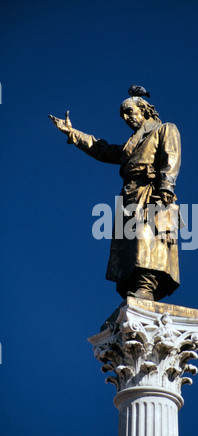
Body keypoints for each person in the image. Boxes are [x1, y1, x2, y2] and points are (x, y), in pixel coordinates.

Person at [49, 95, 181, 301]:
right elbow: (102, 149)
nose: (127, 118)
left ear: (144, 110)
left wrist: (166, 187)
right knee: (131, 244)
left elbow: (171, 156)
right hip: (131, 193)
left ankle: (146, 287)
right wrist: (72, 133)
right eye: (123, 116)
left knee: (148, 238)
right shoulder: (132, 144)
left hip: (151, 190)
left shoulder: (164, 129)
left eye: (129, 112)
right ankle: (137, 284)